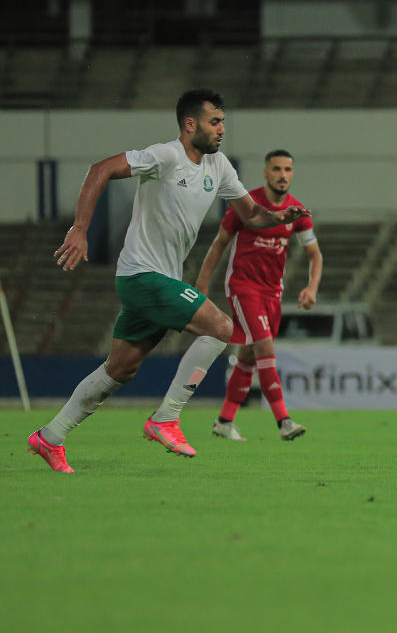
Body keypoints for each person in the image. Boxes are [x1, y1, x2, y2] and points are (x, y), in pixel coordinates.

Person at [27, 89, 309, 473]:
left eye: (223, 121)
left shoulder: (219, 166)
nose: (222, 129)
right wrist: (79, 229)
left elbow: (253, 215)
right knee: (222, 327)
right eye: (215, 121)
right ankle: (166, 418)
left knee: (120, 369)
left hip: (160, 279)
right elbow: (100, 169)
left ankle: (51, 436)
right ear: (190, 124)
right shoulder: (165, 156)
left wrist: (281, 217)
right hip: (142, 275)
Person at [195, 149, 322, 441]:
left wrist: (311, 288)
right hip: (243, 287)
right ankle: (284, 421)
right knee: (265, 348)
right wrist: (202, 285)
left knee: (248, 356)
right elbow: (219, 244)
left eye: (287, 169)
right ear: (266, 173)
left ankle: (224, 421)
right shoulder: (247, 206)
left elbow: (315, 255)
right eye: (276, 169)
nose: (282, 175)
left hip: (272, 293)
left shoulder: (297, 211)